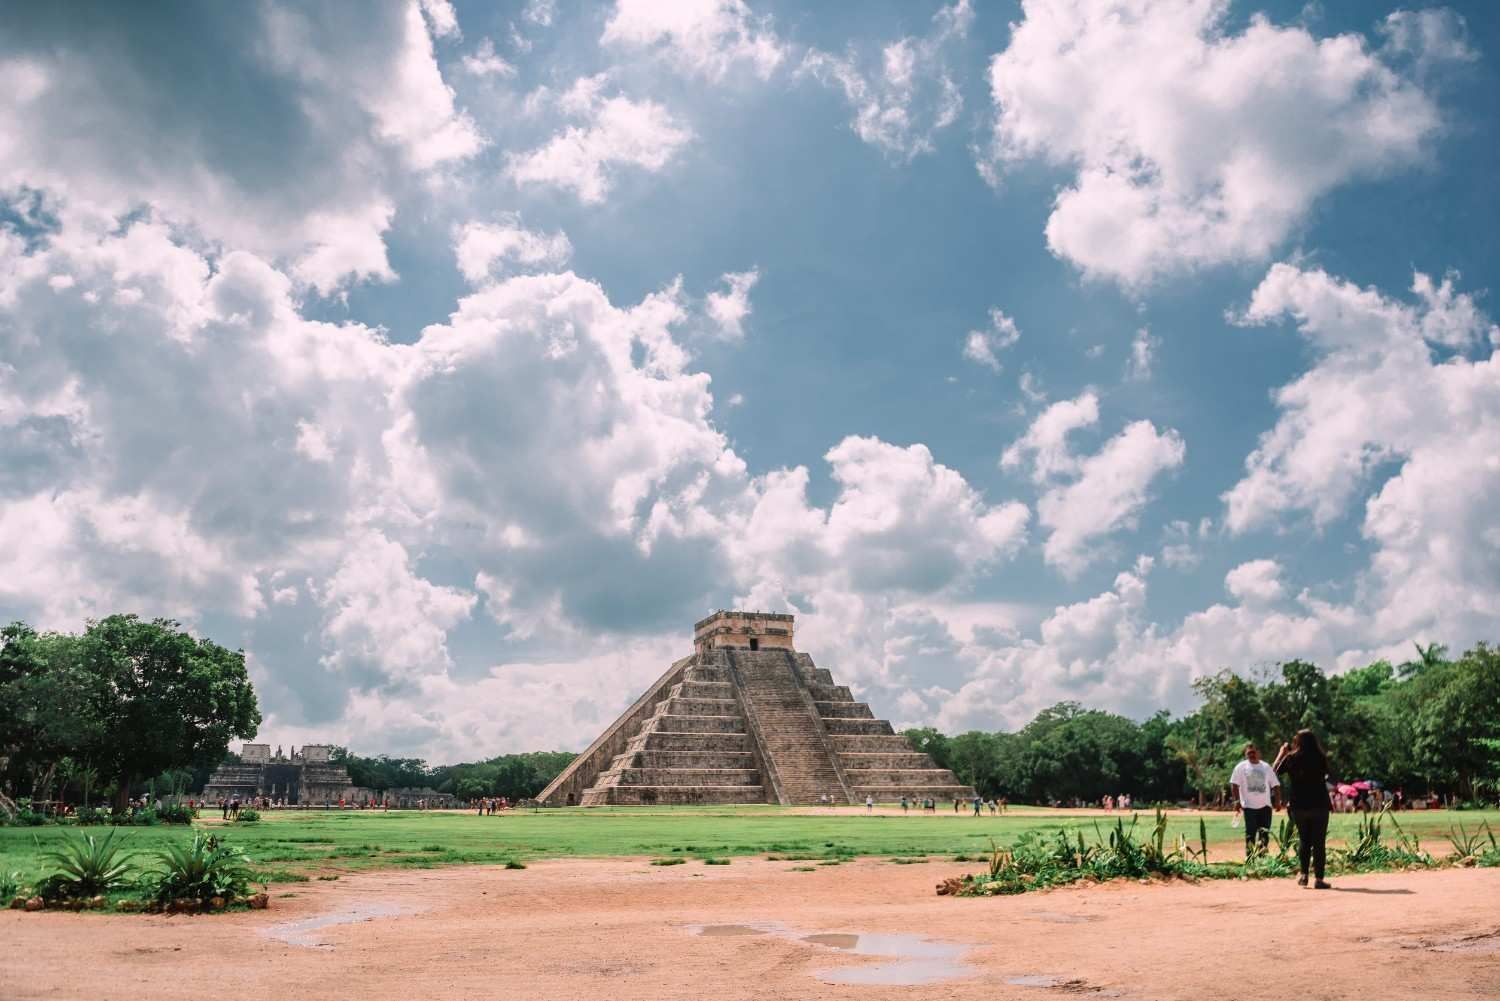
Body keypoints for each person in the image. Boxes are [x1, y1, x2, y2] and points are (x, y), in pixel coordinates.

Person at [1273, 729, 1334, 889]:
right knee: (1319, 843)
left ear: (1297, 741)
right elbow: (1328, 774)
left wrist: (1281, 753)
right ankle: (1319, 879)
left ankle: (1304, 875)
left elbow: (1274, 772)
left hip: (1299, 804)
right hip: (1319, 804)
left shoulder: (1291, 758)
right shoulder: (1320, 757)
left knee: (1304, 840)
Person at [1229, 743, 1281, 857]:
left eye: (1254, 752)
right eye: (1249, 753)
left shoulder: (1266, 767)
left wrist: (1277, 801)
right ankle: (1250, 859)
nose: (1252, 755)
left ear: (1258, 753)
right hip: (1249, 807)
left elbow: (1276, 785)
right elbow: (1234, 784)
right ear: (1245, 754)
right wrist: (1237, 802)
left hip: (1265, 807)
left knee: (1264, 834)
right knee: (1250, 835)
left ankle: (1262, 858)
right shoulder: (1241, 767)